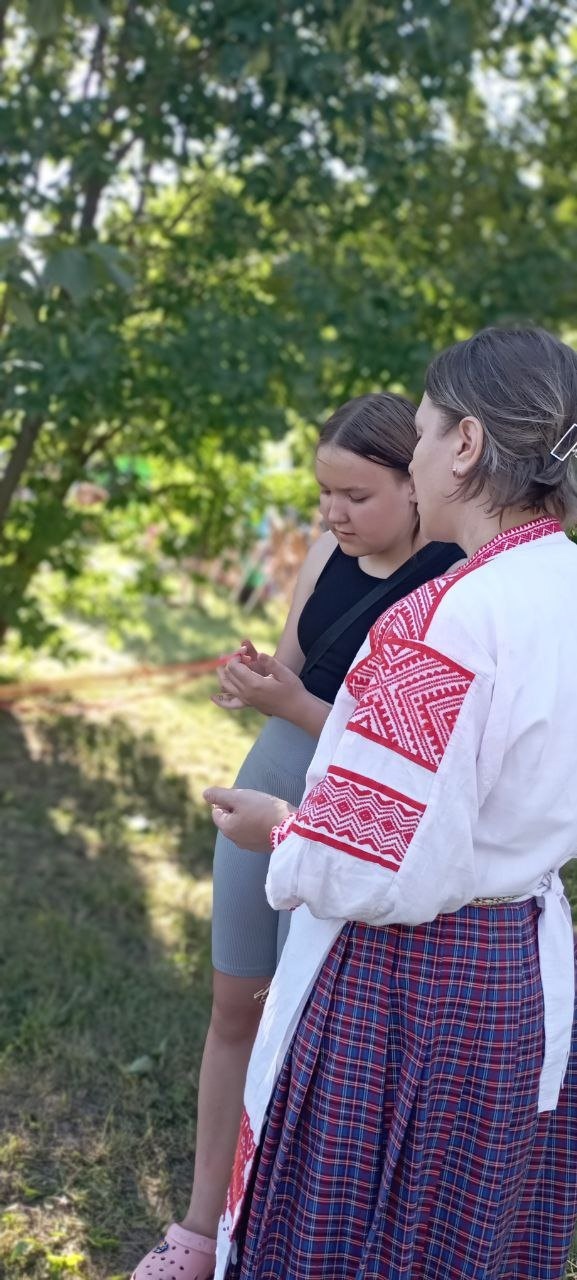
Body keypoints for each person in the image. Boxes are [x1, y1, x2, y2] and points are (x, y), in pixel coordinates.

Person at [205, 327, 577, 1280]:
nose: (412, 455)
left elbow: (364, 864)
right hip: (512, 977)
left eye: (420, 432)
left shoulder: (445, 620)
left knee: (356, 1239)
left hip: (407, 987)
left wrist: (280, 830)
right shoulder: (564, 588)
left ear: (465, 446)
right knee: (459, 1238)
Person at [131, 393, 462, 1280]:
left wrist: (294, 703)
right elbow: (291, 666)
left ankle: (264, 1235)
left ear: (415, 482)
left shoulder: (451, 582)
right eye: (324, 493)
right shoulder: (324, 552)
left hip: (342, 812)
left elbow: (404, 752)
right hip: (270, 779)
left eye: (355, 495)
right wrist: (255, 682)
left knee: (298, 1030)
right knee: (233, 1006)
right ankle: (199, 1228)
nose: (333, 514)